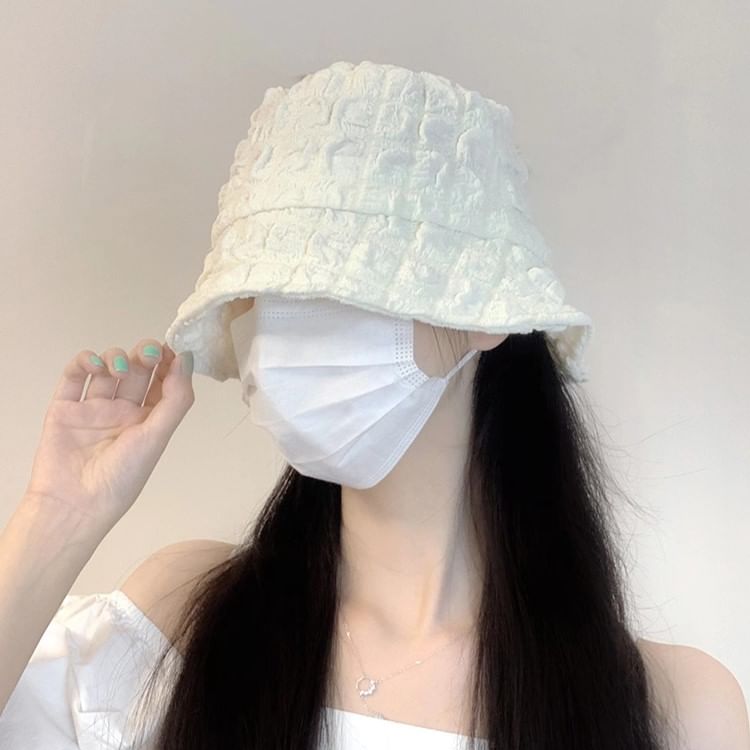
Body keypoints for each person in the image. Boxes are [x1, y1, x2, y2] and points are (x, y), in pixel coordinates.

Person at [1, 59, 748, 750]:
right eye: (261, 292)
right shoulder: (180, 622)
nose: (278, 331)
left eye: (335, 280)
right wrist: (58, 516)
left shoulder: (676, 709)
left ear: (480, 309)